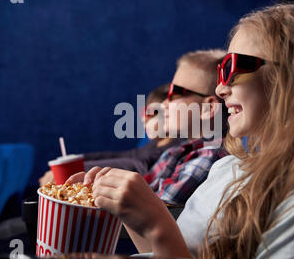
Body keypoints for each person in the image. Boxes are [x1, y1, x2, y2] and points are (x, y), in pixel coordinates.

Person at [67, 3, 294, 259]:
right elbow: (168, 256)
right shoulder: (227, 169)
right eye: (220, 72)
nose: (221, 88)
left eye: (233, 68)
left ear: (293, 81)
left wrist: (157, 224)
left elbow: (175, 257)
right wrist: (130, 213)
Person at [68, 49, 229, 206]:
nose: (165, 103)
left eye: (176, 93)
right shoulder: (176, 150)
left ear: (207, 108)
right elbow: (146, 188)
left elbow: (152, 209)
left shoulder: (208, 156)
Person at [39, 83, 181, 185]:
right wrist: (76, 160)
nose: (143, 119)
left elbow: (137, 165)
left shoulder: (176, 144)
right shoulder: (155, 142)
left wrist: (72, 170)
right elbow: (126, 155)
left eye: (151, 113)